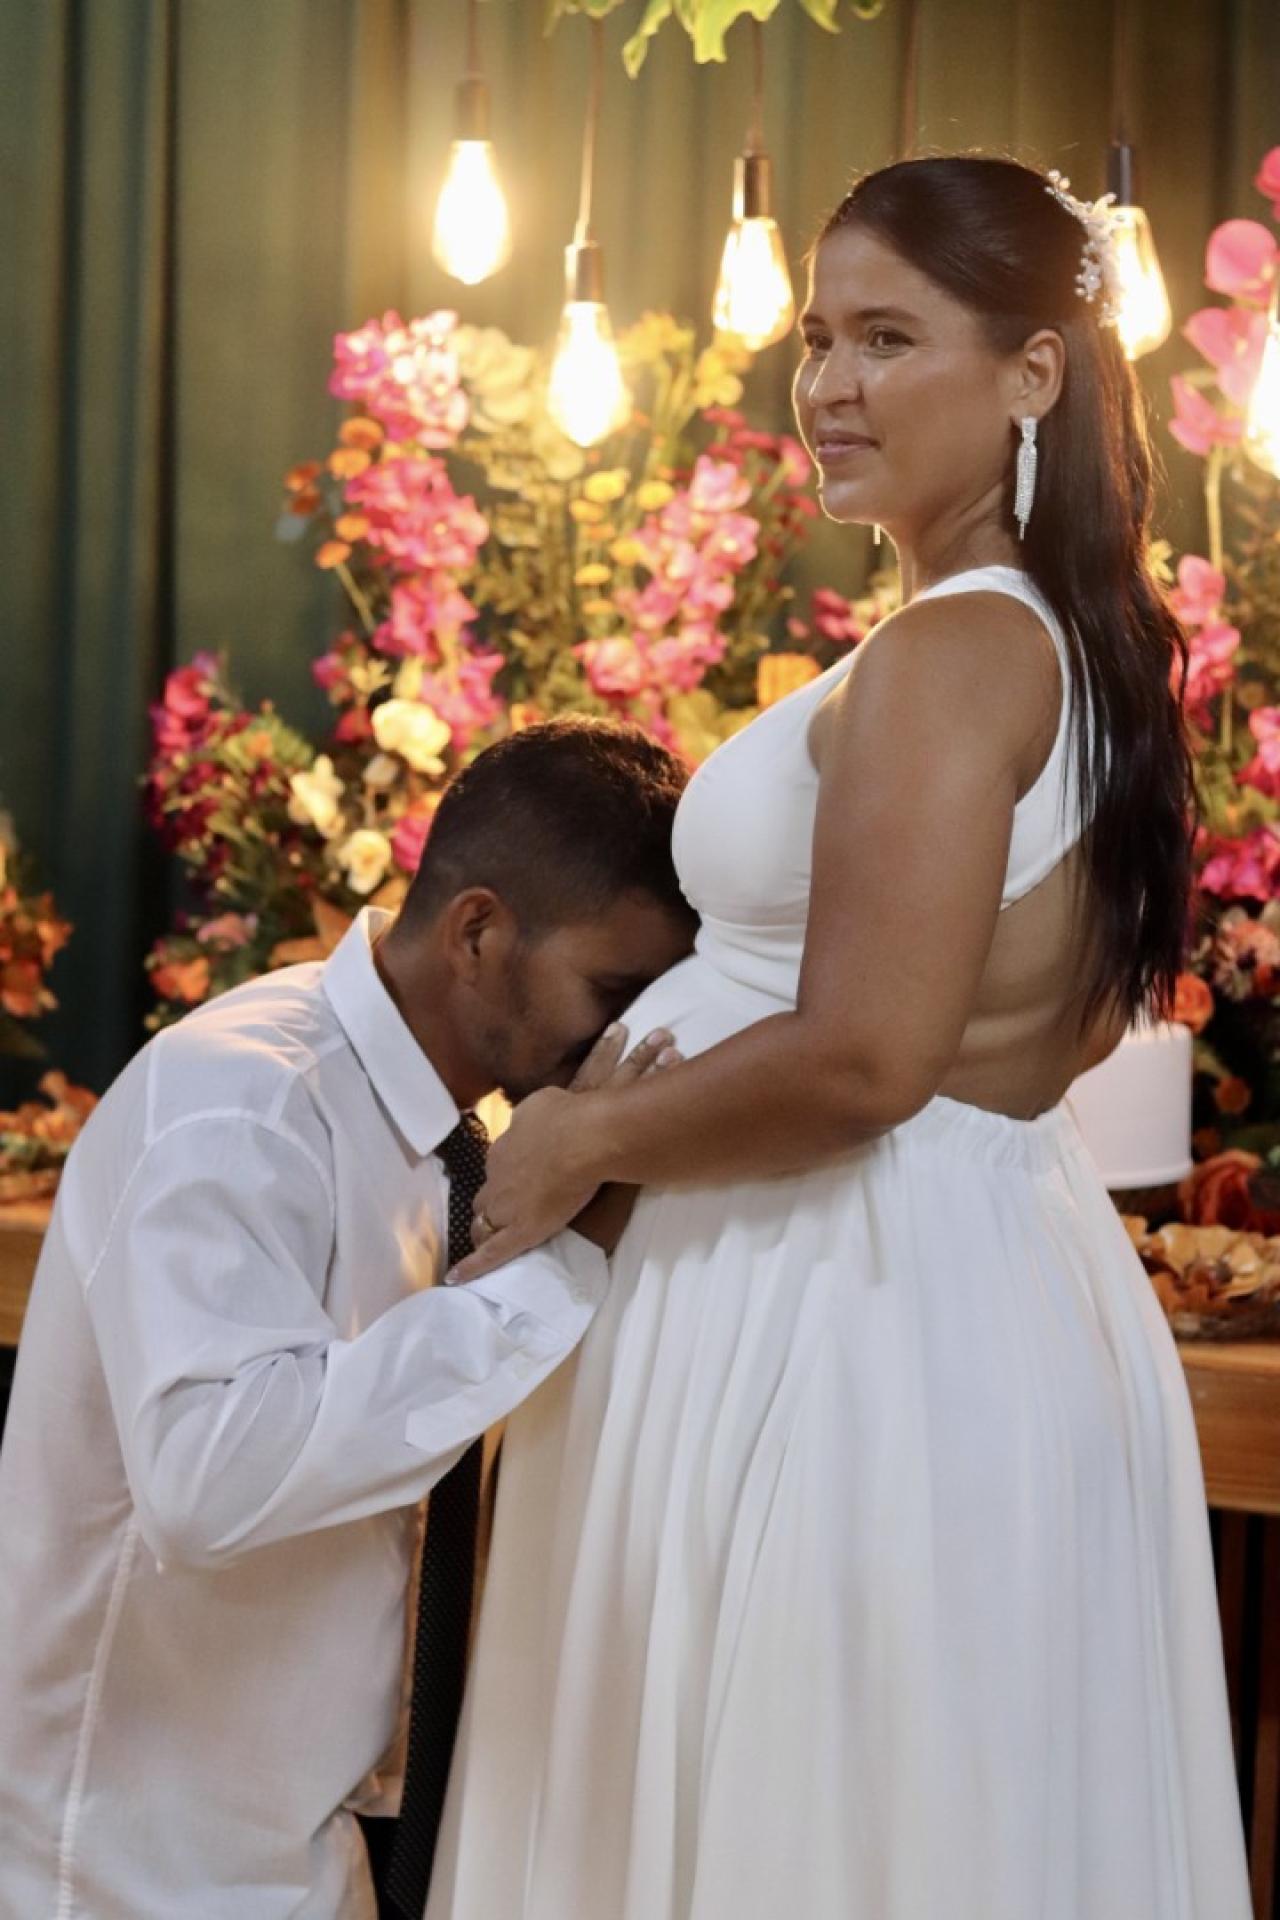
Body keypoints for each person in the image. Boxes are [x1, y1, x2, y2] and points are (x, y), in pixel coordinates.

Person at [427, 158, 1253, 1919]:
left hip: (833, 1311)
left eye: (888, 337)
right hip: (928, 1279)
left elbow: (872, 1058)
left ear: (1033, 372)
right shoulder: (1067, 646)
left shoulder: (958, 652)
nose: (829, 385)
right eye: (817, 338)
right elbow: (1019, 1046)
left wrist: (575, 1141)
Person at [0, 718, 695, 1920]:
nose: (620, 1039)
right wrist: (554, 1269)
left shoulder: (458, 1139)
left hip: (305, 1845)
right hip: (132, 1861)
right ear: (477, 933)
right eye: (612, 991)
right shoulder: (242, 1104)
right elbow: (211, 1476)